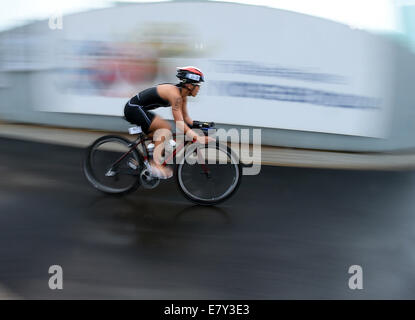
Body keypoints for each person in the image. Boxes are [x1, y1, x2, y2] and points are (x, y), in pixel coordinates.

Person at [124, 66, 214, 179]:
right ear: (190, 85)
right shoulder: (175, 95)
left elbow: (186, 118)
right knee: (164, 129)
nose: (199, 89)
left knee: (164, 141)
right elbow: (179, 123)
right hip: (133, 108)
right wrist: (197, 137)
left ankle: (141, 162)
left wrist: (200, 125)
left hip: (140, 109)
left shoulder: (183, 95)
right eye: (198, 85)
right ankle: (155, 165)